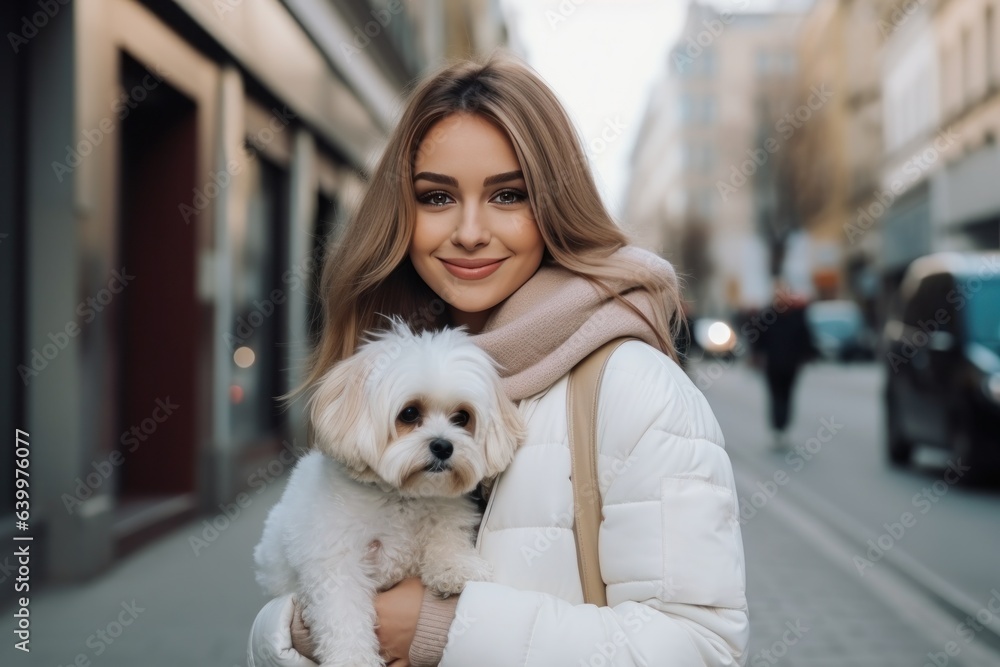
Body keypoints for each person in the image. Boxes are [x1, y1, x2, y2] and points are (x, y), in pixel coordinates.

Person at [248, 53, 748, 667]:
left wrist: (442, 631)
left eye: (508, 195)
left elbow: (700, 648)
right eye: (436, 197)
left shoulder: (635, 389)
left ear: (556, 207)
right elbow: (297, 590)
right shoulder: (373, 368)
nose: (470, 231)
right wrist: (293, 633)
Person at [750, 281, 818, 450]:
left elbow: (805, 336)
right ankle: (777, 426)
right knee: (775, 395)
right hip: (773, 364)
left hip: (791, 363)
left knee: (787, 395)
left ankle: (783, 425)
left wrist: (808, 354)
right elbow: (757, 338)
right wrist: (756, 356)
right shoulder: (767, 315)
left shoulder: (797, 315)